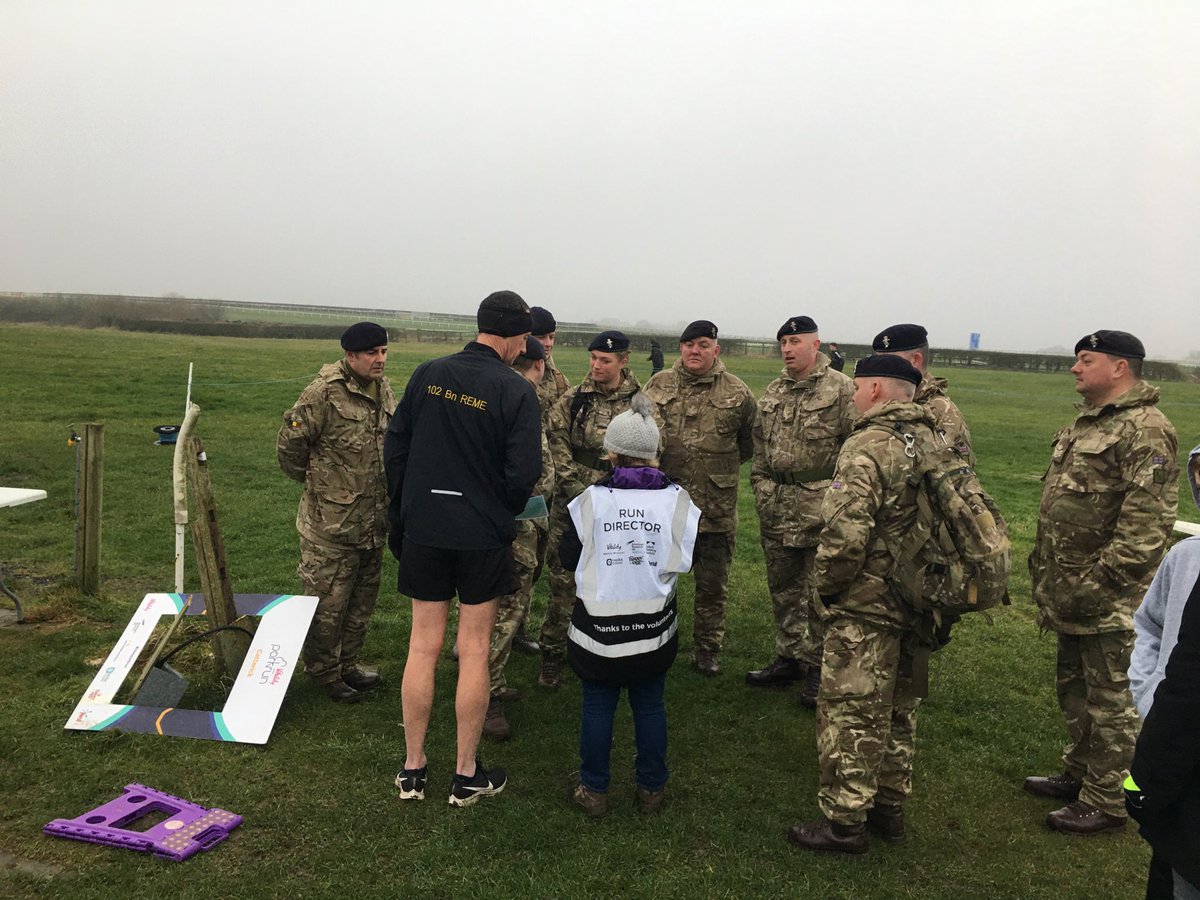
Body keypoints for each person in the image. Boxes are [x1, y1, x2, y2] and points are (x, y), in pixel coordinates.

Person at [385, 291, 542, 807]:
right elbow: (523, 475)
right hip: (479, 535)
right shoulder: (516, 391)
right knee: (473, 649)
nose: (525, 347)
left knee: (422, 646)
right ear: (514, 336)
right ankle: (465, 773)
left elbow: (398, 448)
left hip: (424, 528)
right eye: (524, 338)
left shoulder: (428, 373)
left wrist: (404, 512)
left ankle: (412, 769)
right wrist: (497, 511)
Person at [1024, 330, 1178, 835]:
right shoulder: (1090, 423)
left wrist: (1099, 582)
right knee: (1076, 689)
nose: (1074, 369)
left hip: (1107, 597)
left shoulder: (1146, 428)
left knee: (1110, 698)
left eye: (1085, 360)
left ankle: (1108, 799)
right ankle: (1081, 772)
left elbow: (1146, 525)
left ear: (1119, 368)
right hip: (1070, 588)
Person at [788, 354, 934, 855]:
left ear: (874, 389)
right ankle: (889, 808)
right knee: (899, 708)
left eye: (857, 387)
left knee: (852, 711)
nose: (852, 395)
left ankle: (845, 822)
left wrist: (827, 589)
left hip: (867, 604)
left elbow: (846, 534)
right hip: (920, 599)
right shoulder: (934, 440)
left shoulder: (867, 445)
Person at [559, 392, 701, 817]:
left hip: (596, 635)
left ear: (610, 453)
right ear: (655, 453)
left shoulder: (588, 501)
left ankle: (594, 790)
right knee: (650, 705)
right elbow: (683, 561)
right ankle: (651, 789)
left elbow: (568, 559)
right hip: (654, 634)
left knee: (597, 706)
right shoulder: (679, 501)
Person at [277, 321, 396, 703]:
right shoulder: (322, 394)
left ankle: (348, 664)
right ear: (350, 355)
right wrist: (323, 488)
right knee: (327, 605)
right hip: (330, 527)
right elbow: (290, 448)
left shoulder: (384, 389)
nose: (380, 360)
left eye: (383, 352)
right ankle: (324, 672)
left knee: (361, 603)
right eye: (372, 353)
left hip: (373, 521)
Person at [747, 316, 856, 702]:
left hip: (820, 510)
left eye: (795, 341)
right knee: (783, 590)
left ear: (817, 345)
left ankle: (817, 666)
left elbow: (856, 450)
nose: (788, 349)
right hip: (777, 507)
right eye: (783, 343)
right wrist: (760, 486)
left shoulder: (842, 390)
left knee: (819, 594)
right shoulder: (774, 390)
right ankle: (788, 656)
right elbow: (760, 446)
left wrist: (838, 499)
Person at [644, 320, 755, 676]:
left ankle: (708, 648)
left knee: (712, 585)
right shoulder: (657, 385)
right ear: (680, 348)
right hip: (665, 507)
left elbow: (748, 445)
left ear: (716, 350)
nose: (695, 350)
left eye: (703, 344)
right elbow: (642, 434)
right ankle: (654, 639)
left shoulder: (738, 393)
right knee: (657, 578)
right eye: (689, 344)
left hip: (715, 508)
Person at [537, 331, 641, 689]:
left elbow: (652, 447)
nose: (596, 366)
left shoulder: (641, 402)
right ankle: (552, 652)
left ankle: (608, 647)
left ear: (623, 362)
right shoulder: (574, 398)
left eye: (605, 360)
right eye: (593, 358)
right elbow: (556, 439)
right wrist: (575, 488)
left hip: (620, 504)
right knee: (564, 577)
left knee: (614, 577)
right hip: (574, 502)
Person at [1128, 444, 1200, 898]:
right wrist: (1148, 690)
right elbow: (1148, 624)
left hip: (1181, 759)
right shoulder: (1186, 557)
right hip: (1166, 742)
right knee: (1171, 862)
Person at [483, 336, 556, 739]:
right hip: (510, 527)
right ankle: (487, 694)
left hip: (527, 524)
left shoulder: (515, 398)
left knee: (509, 610)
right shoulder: (512, 400)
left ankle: (493, 681)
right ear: (538, 365)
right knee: (502, 615)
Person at [510, 305, 571, 657]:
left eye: (551, 337)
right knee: (502, 566)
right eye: (540, 337)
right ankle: (474, 635)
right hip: (517, 483)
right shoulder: (510, 373)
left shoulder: (558, 380)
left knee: (531, 563)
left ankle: (518, 627)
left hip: (545, 487)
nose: (546, 344)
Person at [872, 323, 973, 462]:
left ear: (916, 360)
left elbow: (955, 475)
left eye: (889, 361)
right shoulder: (880, 397)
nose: (879, 367)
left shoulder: (940, 411)